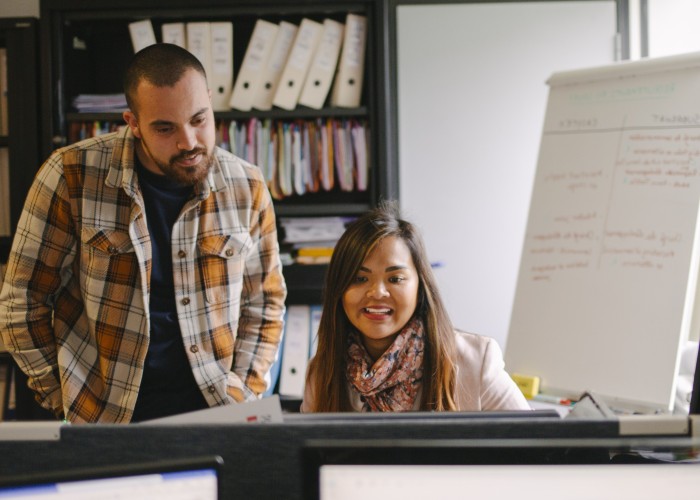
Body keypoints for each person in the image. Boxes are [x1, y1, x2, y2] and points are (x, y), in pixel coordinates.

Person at [0, 43, 286, 423]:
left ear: (211, 104)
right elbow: (22, 302)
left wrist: (245, 393)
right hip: (106, 418)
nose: (188, 142)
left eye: (199, 119)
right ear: (132, 122)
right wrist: (63, 398)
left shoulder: (246, 185)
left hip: (220, 410)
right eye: (165, 128)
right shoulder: (70, 175)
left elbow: (265, 302)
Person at [301, 201, 529, 412]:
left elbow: (531, 445)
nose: (377, 292)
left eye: (395, 279)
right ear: (339, 289)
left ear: (420, 286)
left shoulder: (474, 361)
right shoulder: (323, 371)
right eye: (359, 279)